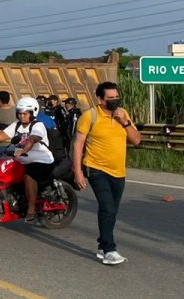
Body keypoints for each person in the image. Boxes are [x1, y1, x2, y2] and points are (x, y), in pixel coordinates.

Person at [72, 82, 141, 265]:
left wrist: (124, 122)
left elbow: (136, 140)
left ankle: (103, 245)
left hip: (118, 171)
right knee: (107, 207)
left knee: (112, 211)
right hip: (96, 168)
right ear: (100, 99)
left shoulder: (123, 114)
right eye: (110, 98)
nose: (114, 101)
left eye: (116, 97)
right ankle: (110, 249)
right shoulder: (90, 116)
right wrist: (77, 171)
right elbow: (78, 144)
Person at [0, 96, 54, 223]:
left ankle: (31, 209)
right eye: (20, 113)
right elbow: (4, 134)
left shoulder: (38, 125)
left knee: (28, 177)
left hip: (41, 160)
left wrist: (24, 150)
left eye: (25, 114)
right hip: (22, 160)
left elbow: (33, 139)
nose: (22, 116)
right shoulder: (17, 125)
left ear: (33, 113)